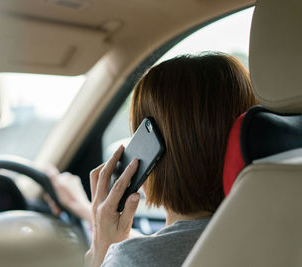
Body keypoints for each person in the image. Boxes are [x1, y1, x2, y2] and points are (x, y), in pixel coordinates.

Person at [45, 53, 258, 267]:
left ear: (153, 158)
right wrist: (83, 208)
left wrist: (102, 249)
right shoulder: (272, 230)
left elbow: (157, 253)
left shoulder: (133, 259)